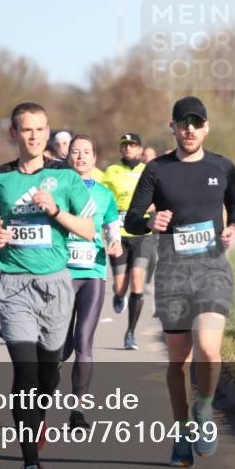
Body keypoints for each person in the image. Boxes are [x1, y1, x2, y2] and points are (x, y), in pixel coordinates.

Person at [0, 102, 96, 469]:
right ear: (14, 134)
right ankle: (30, 463)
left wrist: (56, 209)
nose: (35, 136)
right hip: (14, 286)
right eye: (27, 130)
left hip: (57, 285)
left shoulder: (65, 175)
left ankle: (37, 419)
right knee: (25, 375)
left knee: (48, 374)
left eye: (41, 130)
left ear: (47, 133)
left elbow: (89, 230)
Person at [125, 96, 235, 468]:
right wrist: (150, 222)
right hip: (174, 272)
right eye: (182, 122)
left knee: (209, 349)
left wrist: (233, 228)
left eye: (197, 122)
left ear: (206, 127)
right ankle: (180, 432)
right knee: (179, 360)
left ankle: (204, 411)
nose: (189, 128)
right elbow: (130, 219)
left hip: (211, 270)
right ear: (172, 127)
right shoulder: (157, 170)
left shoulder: (223, 167)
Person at [62, 134, 123, 430]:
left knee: (83, 341)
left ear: (94, 158)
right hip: (60, 276)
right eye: (75, 152)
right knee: (58, 349)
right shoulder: (57, 189)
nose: (80, 157)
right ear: (67, 157)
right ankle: (38, 401)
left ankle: (78, 411)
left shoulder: (103, 194)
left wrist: (116, 243)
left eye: (86, 152)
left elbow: (113, 227)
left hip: (93, 275)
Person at [102, 133, 155, 350]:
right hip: (118, 234)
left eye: (132, 145)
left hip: (142, 234)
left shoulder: (148, 171)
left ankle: (130, 333)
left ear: (140, 149)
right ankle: (118, 295)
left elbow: (159, 198)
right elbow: (104, 199)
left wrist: (149, 210)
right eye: (124, 145)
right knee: (121, 285)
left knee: (136, 280)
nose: (127, 148)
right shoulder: (111, 171)